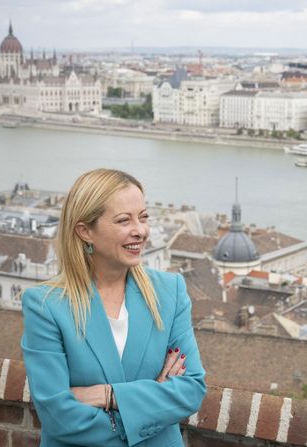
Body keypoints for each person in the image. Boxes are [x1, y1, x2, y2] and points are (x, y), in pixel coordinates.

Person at [21, 168, 206, 446]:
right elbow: (58, 416)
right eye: (124, 220)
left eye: (143, 217)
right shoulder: (46, 305)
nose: (140, 231)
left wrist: (108, 396)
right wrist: (151, 401)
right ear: (85, 231)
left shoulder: (170, 291)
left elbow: (191, 390)